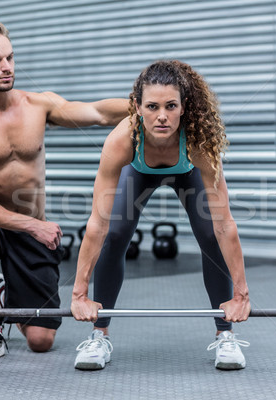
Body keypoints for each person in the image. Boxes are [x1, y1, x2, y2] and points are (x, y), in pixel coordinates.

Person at [0, 22, 128, 366]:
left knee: (41, 342)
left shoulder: (37, 106)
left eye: (10, 57)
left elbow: (99, 113)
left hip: (31, 224)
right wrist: (32, 226)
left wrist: (147, 103)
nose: (7, 67)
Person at [70, 60, 251, 370]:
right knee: (113, 234)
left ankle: (226, 335)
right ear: (138, 107)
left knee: (210, 235)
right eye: (152, 106)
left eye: (171, 106)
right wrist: (79, 293)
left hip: (187, 172)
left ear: (184, 108)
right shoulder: (122, 139)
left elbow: (224, 225)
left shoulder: (199, 145)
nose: (162, 116)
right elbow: (97, 223)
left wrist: (241, 293)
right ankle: (99, 334)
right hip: (138, 172)